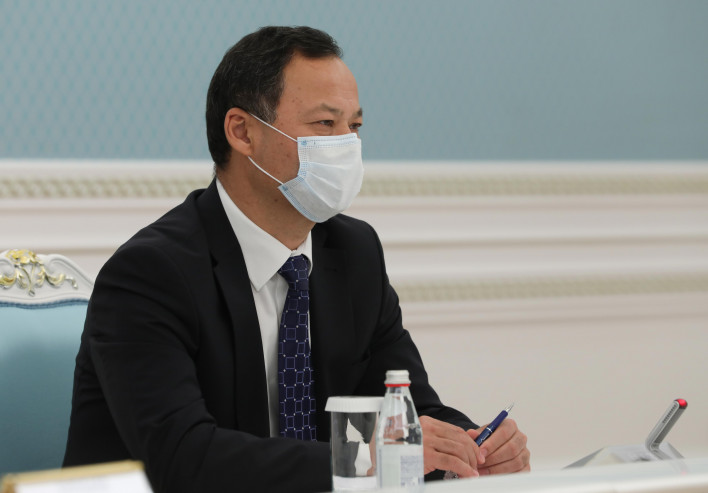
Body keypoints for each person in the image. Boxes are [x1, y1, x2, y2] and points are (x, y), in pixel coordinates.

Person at [63, 26, 530, 492]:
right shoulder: (150, 273)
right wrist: (367, 457)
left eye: (355, 127)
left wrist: (470, 447)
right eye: (325, 124)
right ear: (242, 132)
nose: (346, 145)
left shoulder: (355, 253)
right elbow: (182, 459)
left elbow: (410, 410)